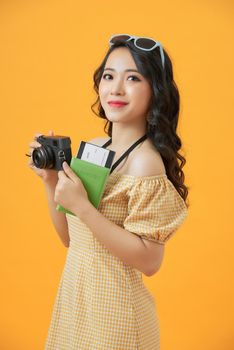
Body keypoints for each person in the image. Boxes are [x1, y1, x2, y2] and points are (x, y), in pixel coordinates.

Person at [27, 34, 189, 349]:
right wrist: (50, 181)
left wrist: (85, 207)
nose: (115, 89)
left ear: (155, 91)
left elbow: (150, 262)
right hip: (77, 305)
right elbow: (72, 240)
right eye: (109, 76)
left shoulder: (145, 164)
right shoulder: (92, 149)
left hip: (117, 316)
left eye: (133, 78)